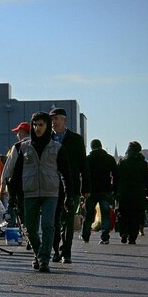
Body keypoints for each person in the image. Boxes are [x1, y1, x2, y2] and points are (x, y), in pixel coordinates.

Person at [9, 112, 72, 272]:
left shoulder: (57, 148)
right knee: (30, 228)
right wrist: (12, 196)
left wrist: (68, 196)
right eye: (35, 125)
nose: (37, 128)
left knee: (48, 226)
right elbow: (16, 174)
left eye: (41, 125)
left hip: (50, 192)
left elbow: (66, 174)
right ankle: (38, 254)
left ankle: (44, 259)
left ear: (47, 126)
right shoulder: (23, 147)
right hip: (30, 192)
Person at [50, 108, 90, 264]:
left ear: (64, 121)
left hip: (71, 185)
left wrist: (85, 188)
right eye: (52, 119)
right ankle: (55, 250)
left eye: (56, 119)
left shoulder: (76, 139)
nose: (53, 122)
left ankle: (66, 252)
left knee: (68, 220)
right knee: (53, 221)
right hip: (52, 186)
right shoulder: (48, 138)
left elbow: (83, 165)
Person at [82, 139, 118, 244]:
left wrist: (83, 190)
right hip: (105, 190)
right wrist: (113, 188)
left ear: (91, 147)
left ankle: (85, 236)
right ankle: (105, 237)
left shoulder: (88, 159)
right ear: (101, 146)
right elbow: (116, 175)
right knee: (105, 214)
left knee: (88, 215)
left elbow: (83, 176)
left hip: (91, 191)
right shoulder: (109, 159)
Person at [117, 141, 148, 245]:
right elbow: (147, 179)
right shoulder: (143, 163)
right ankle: (133, 237)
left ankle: (123, 232)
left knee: (123, 213)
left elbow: (117, 177)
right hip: (138, 192)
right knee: (136, 215)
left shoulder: (122, 161)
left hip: (124, 192)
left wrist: (115, 190)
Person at [0, 121, 30, 237]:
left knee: (21, 212)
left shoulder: (17, 147)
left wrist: (3, 183)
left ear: (22, 132)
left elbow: (9, 167)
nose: (17, 135)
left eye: (18, 132)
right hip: (35, 186)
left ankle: (27, 234)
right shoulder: (37, 144)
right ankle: (31, 234)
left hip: (20, 185)